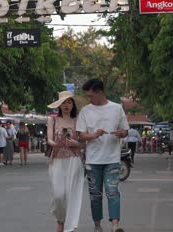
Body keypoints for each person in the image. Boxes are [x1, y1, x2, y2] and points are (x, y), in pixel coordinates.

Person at [76, 79, 129, 232]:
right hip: (93, 160)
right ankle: (97, 225)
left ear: (100, 92)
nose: (89, 99)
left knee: (113, 192)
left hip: (112, 158)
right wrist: (92, 135)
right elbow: (81, 135)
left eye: (91, 95)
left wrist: (121, 133)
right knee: (95, 194)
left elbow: (125, 130)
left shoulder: (117, 108)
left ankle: (115, 225)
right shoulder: (86, 111)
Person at [47, 91, 85, 232]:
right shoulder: (52, 120)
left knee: (71, 196)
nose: (66, 105)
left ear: (73, 104)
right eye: (63, 102)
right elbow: (49, 139)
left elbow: (83, 144)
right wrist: (55, 143)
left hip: (74, 161)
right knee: (58, 194)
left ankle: (69, 227)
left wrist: (75, 142)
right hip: (56, 160)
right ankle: (61, 219)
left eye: (69, 102)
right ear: (59, 105)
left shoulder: (78, 120)